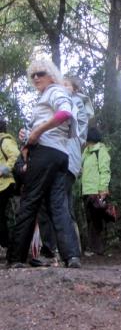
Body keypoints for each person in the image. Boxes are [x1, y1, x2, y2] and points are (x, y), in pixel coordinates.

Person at [6, 59, 81, 269]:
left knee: (30, 201)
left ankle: (16, 258)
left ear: (51, 75)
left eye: (40, 73)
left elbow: (65, 113)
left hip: (47, 153)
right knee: (58, 206)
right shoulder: (47, 96)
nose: (36, 78)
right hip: (60, 155)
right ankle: (71, 256)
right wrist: (28, 133)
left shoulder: (54, 91)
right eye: (33, 75)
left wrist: (37, 132)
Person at [34, 75, 94, 266]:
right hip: (63, 159)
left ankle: (60, 252)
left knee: (57, 205)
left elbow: (75, 133)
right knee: (62, 205)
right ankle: (68, 252)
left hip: (65, 159)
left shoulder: (73, 104)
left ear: (75, 89)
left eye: (66, 84)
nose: (62, 86)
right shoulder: (60, 101)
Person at [80, 127, 111, 256]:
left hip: (97, 191)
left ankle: (97, 248)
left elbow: (105, 171)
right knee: (89, 219)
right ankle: (92, 247)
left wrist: (103, 189)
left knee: (96, 220)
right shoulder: (86, 152)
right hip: (86, 191)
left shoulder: (101, 151)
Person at [0, 120, 20, 252]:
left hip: (6, 184)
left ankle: (8, 245)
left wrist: (3, 170)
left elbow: (15, 155)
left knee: (3, 216)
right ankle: (6, 243)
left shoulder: (5, 141)